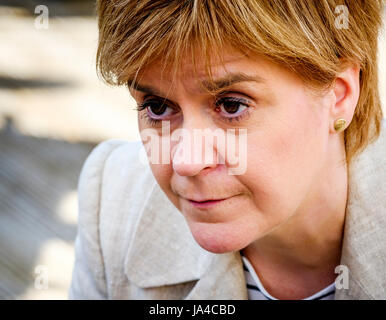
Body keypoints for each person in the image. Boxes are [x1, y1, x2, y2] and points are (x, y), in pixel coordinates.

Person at [69, 0, 385, 299]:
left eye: (231, 105)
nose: (187, 161)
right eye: (157, 107)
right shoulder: (114, 202)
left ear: (339, 96)